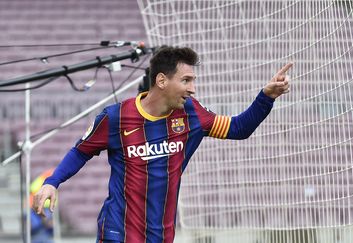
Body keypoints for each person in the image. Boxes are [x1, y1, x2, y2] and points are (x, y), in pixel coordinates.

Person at [32, 46, 293, 243]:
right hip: (118, 233)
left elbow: (239, 128)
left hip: (161, 235)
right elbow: (81, 150)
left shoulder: (192, 114)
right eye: (186, 80)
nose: (193, 89)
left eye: (193, 80)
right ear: (161, 81)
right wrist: (52, 182)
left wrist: (265, 98)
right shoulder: (116, 117)